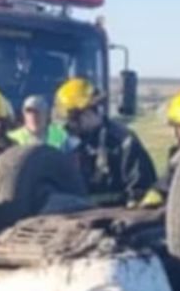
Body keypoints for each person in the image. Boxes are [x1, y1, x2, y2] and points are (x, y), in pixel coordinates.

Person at [54, 77, 156, 206]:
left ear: (90, 111)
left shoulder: (123, 142)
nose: (69, 126)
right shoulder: (70, 145)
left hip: (115, 219)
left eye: (73, 119)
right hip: (76, 220)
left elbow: (140, 191)